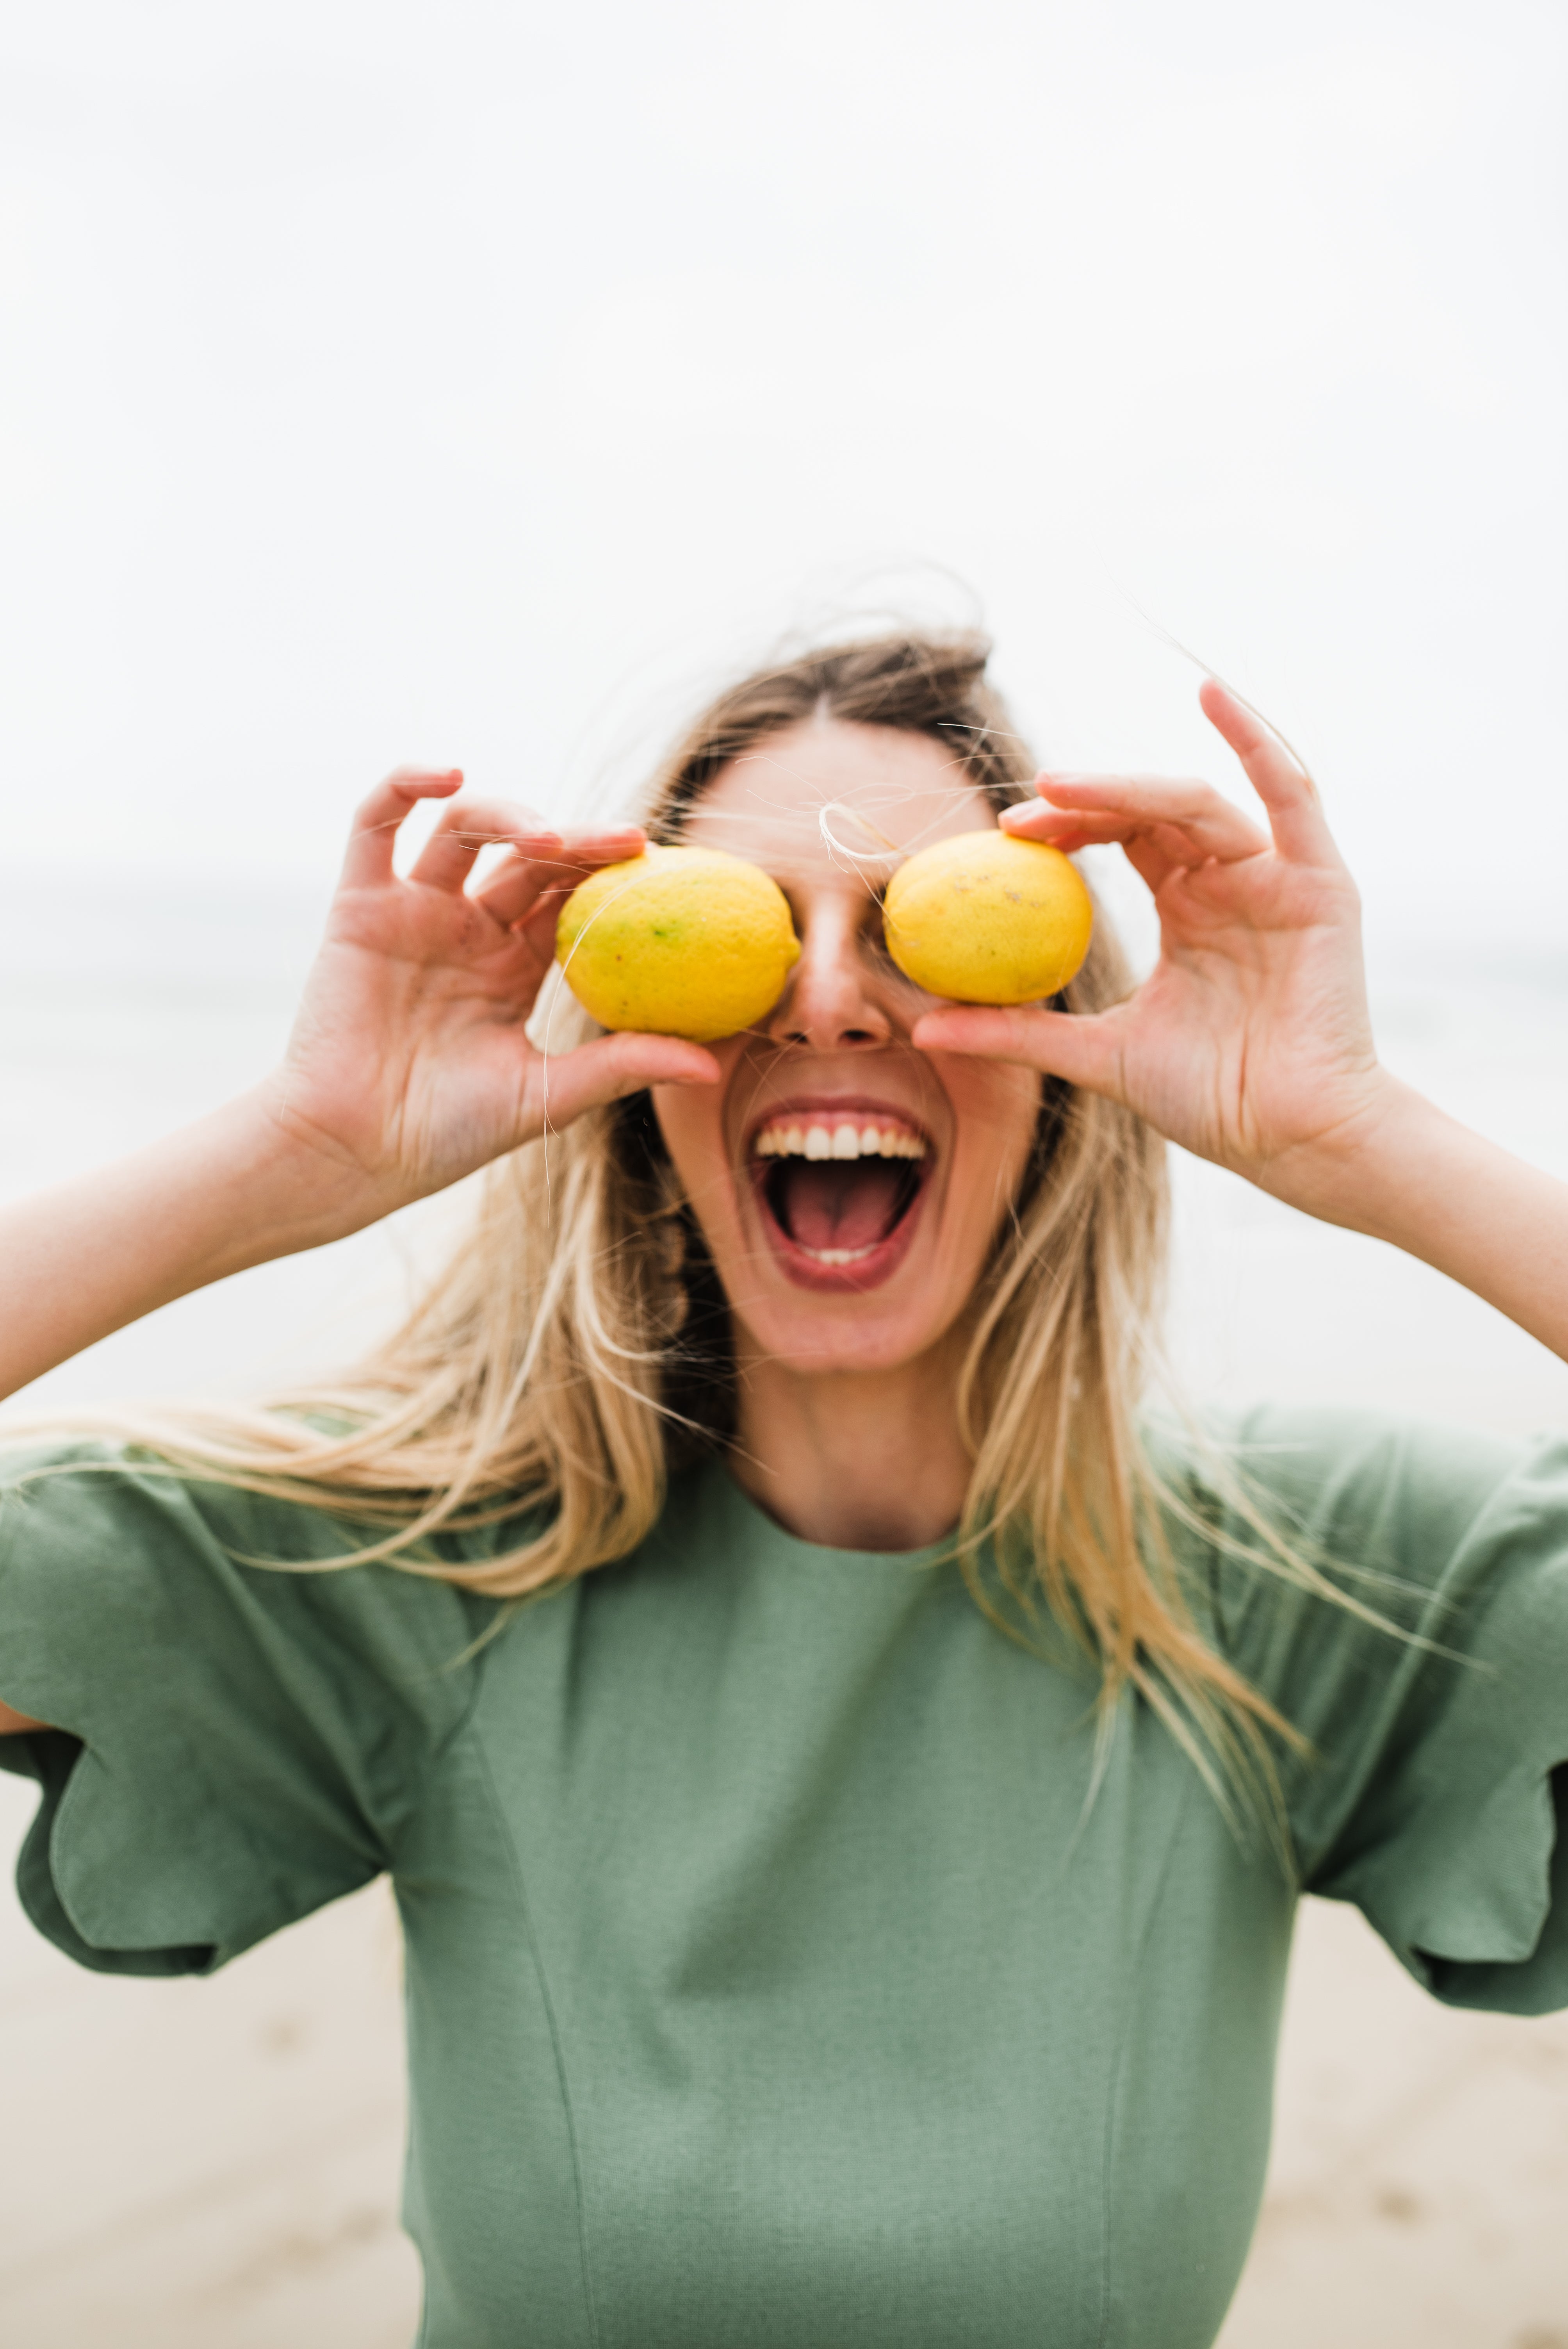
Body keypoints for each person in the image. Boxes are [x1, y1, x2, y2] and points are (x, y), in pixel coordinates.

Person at [2, 631, 1565, 2349]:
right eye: (744, 940)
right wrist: (288, 1156)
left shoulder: (1298, 1578)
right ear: (632, 1058)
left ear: (1053, 1057)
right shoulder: (422, 1582)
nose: (825, 998)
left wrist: (1364, 1136)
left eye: (913, 925)